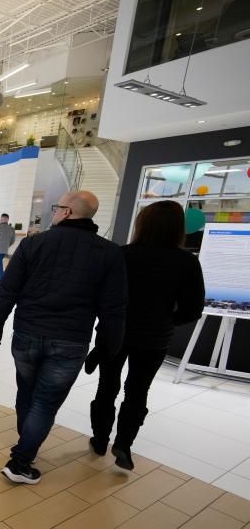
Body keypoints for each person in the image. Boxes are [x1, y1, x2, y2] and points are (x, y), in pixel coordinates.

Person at [0, 190, 128, 484]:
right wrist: (108, 346)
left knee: (26, 393)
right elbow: (113, 308)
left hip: (27, 334)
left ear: (66, 212)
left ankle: (25, 451)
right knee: (45, 402)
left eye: (57, 207)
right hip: (70, 341)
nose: (54, 212)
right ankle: (21, 461)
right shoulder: (110, 253)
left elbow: (9, 289)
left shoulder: (34, 244)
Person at [87, 201, 204, 470]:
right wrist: (166, 320)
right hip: (154, 337)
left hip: (116, 332)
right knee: (138, 391)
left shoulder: (122, 254)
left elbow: (101, 296)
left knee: (107, 386)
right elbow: (192, 309)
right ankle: (124, 444)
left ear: (142, 223)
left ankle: (100, 439)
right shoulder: (186, 262)